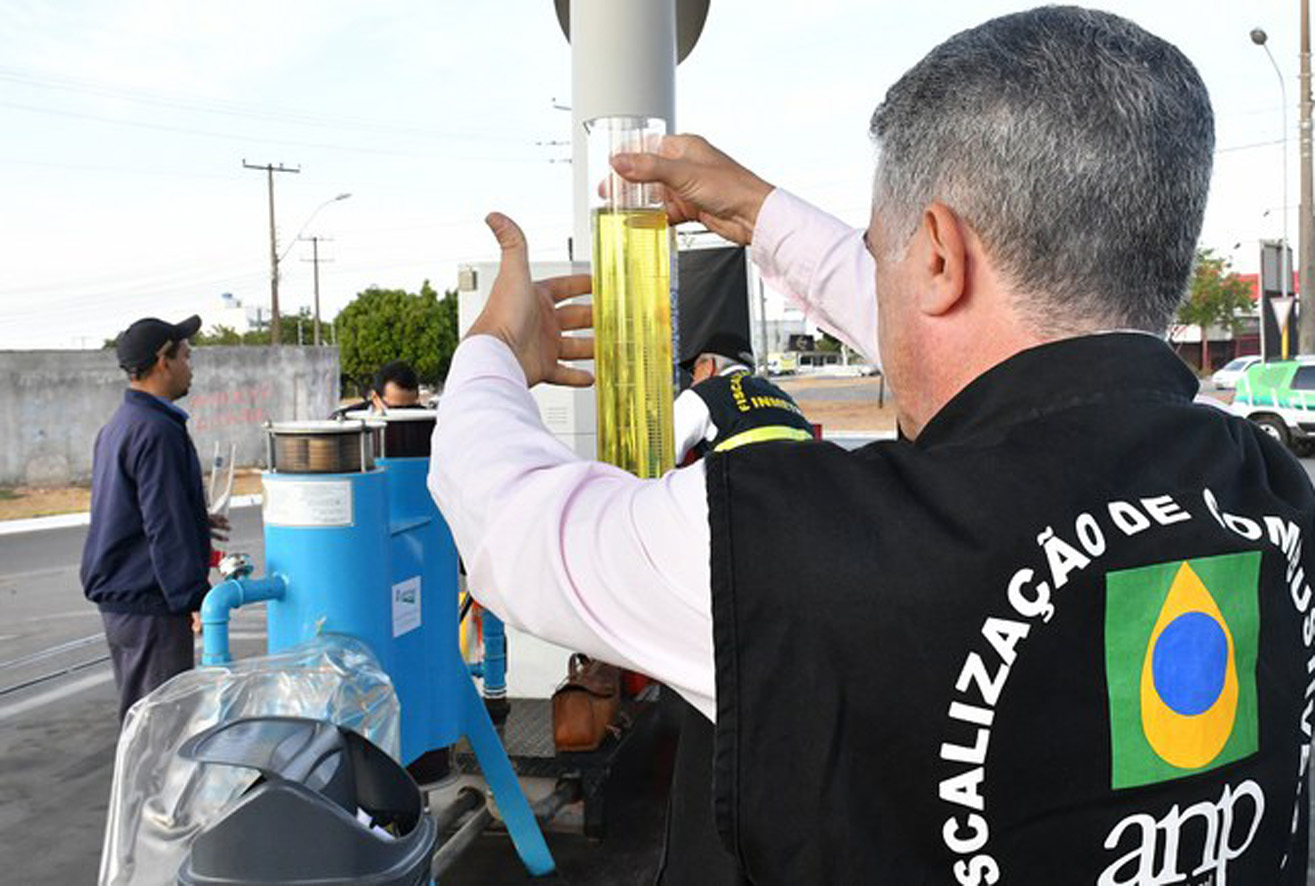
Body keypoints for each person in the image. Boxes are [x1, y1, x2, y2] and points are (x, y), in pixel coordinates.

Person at [430, 8, 1315, 884]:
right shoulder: (1269, 496)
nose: (877, 281)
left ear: (937, 257)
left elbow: (508, 526)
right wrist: (762, 214)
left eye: (881, 252)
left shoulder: (795, 549)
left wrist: (494, 350)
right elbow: (993, 343)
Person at [81, 315, 224, 723]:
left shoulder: (121, 425)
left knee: (143, 722)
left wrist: (197, 518)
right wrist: (194, 598)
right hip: (149, 604)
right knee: (159, 730)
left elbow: (136, 510)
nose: (190, 368)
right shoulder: (157, 430)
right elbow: (165, 526)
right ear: (164, 361)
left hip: (126, 599)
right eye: (186, 357)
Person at [673, 332, 813, 463]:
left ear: (708, 366)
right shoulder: (781, 395)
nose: (692, 380)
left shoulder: (703, 394)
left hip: (747, 480)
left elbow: (665, 454)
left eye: (694, 371)